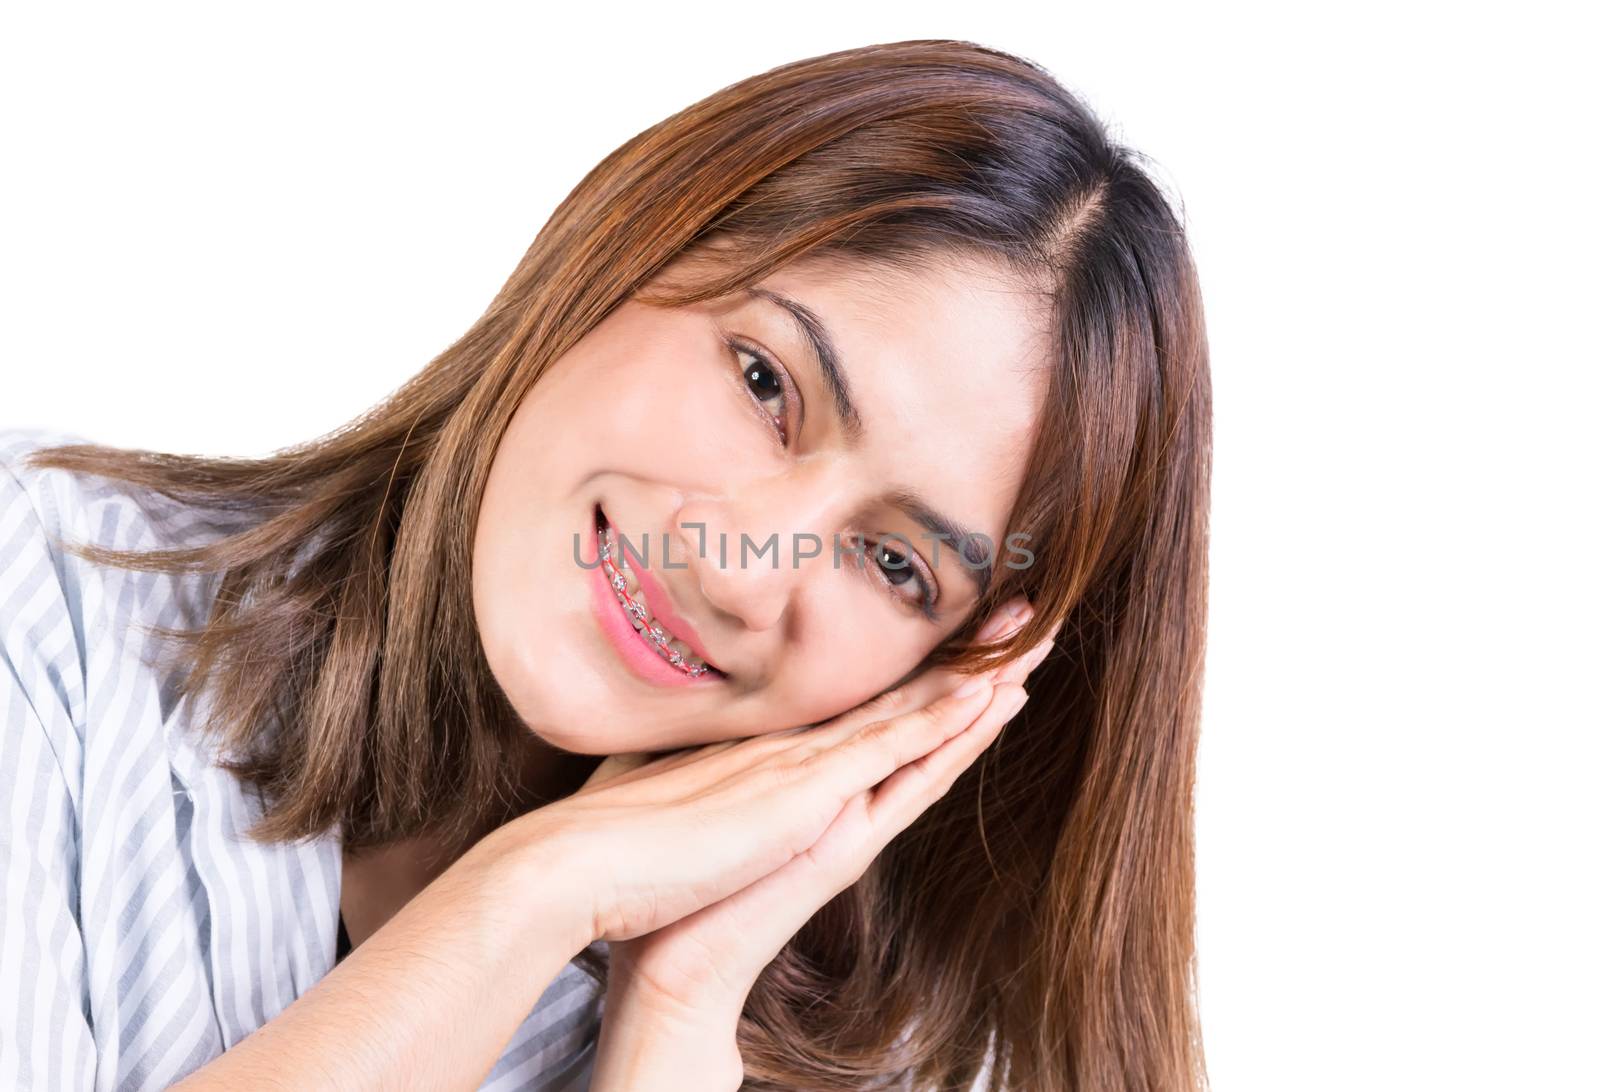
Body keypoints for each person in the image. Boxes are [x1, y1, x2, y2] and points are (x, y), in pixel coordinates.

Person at [0, 37, 1211, 1092]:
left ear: (951, 673)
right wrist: (532, 893)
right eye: (764, 384)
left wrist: (672, 1024)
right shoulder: (42, 595)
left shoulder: (843, 1055)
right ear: (621, 249)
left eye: (895, 564)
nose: (741, 575)